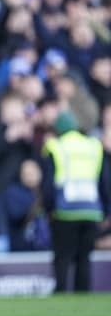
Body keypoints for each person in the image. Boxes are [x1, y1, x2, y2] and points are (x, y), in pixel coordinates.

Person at [41, 111, 110, 293]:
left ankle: (62, 293)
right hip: (91, 210)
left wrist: (48, 208)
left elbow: (48, 184)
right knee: (84, 258)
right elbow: (104, 182)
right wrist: (106, 211)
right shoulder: (93, 146)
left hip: (65, 211)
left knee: (63, 257)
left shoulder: (56, 147)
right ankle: (83, 294)